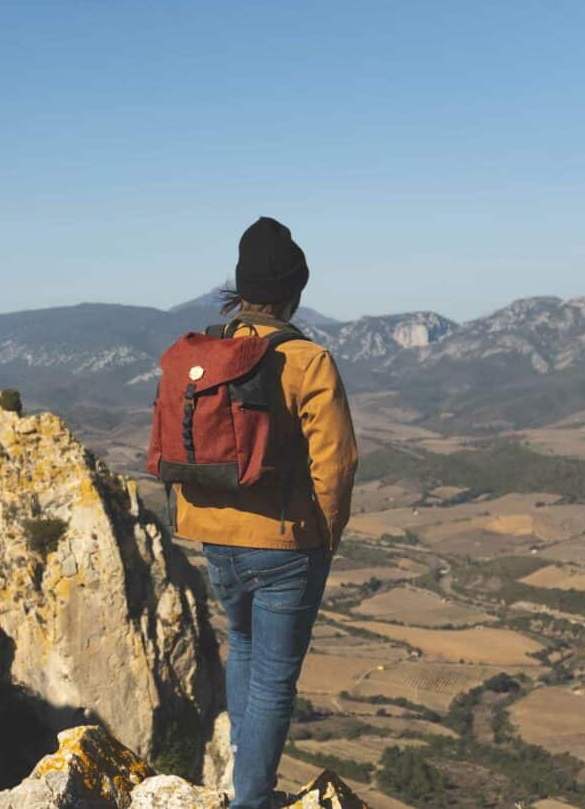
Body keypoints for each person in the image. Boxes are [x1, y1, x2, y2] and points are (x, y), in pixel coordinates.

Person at [175, 216, 358, 809]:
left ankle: (241, 779)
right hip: (285, 546)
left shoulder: (204, 351)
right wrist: (325, 537)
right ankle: (250, 800)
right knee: (276, 678)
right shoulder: (307, 359)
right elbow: (338, 463)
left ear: (242, 288)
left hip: (214, 536)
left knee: (244, 649)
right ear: (294, 292)